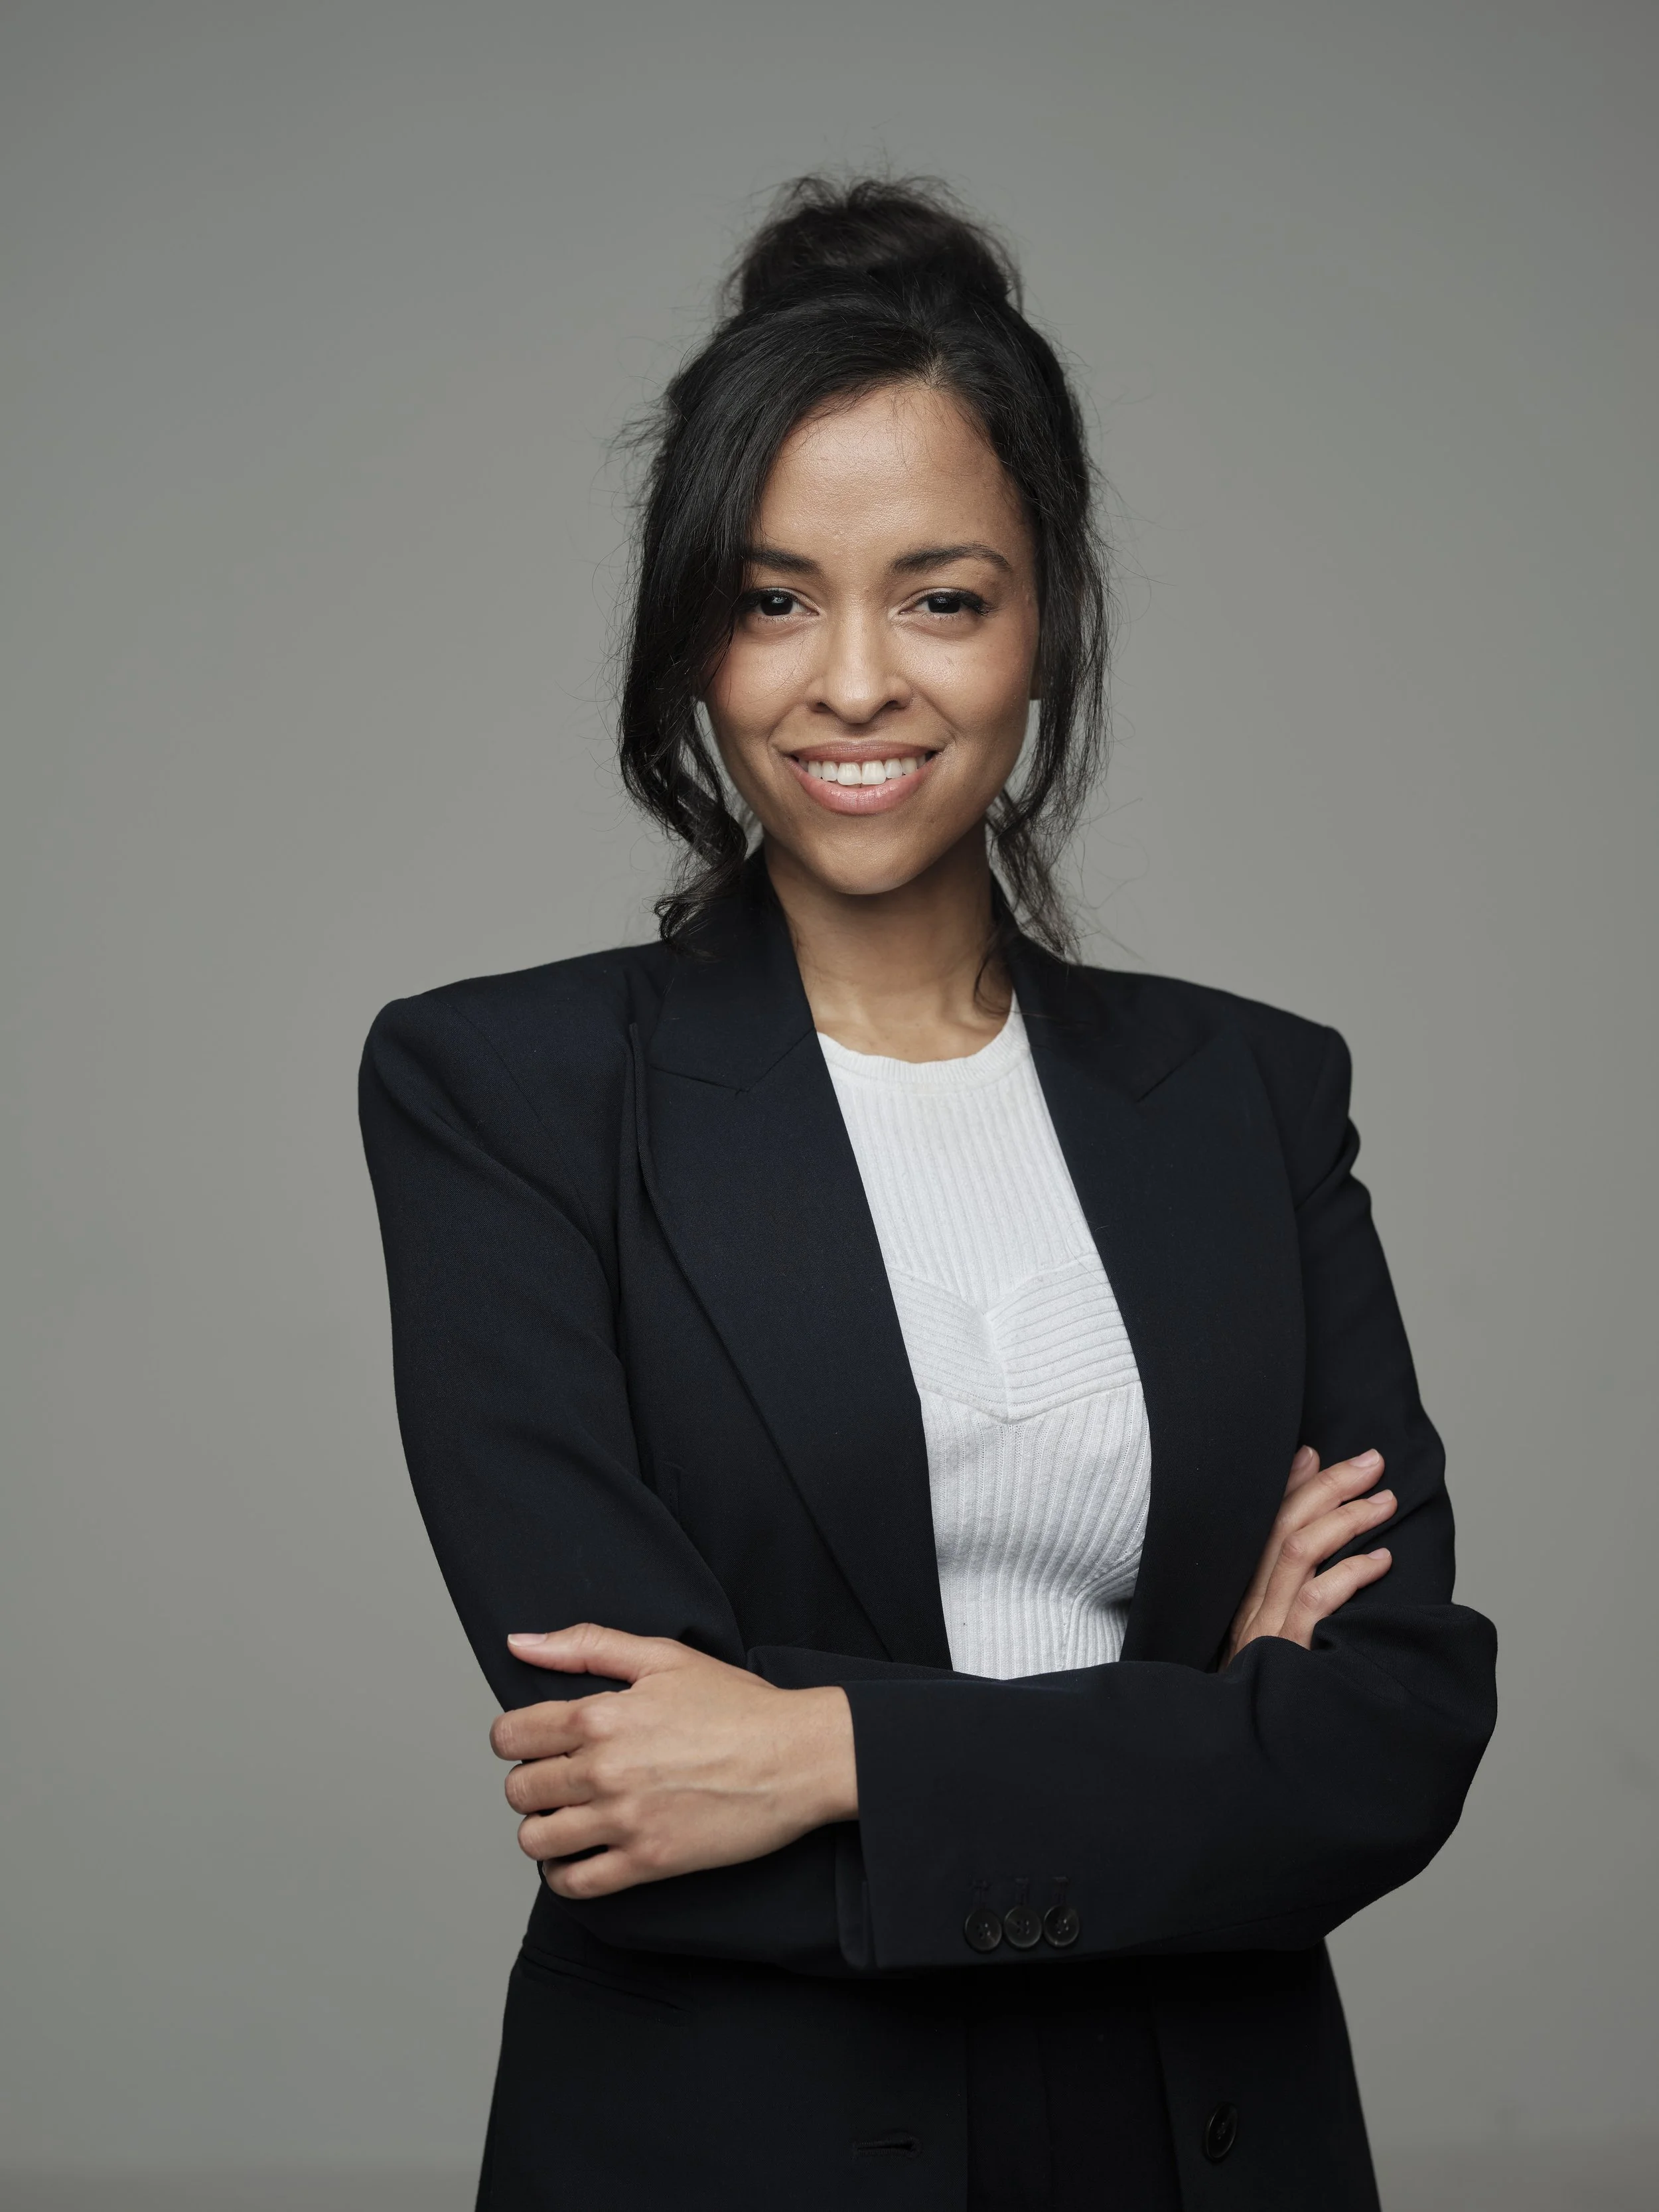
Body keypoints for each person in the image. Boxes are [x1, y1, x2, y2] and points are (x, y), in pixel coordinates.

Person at [360, 175, 1496, 2212]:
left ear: (1040, 617)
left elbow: (1388, 1735)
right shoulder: (503, 1092)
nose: (853, 680)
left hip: (1203, 2138)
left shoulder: (1245, 1092)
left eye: (941, 594)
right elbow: (623, 1775)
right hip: (732, 2155)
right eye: (777, 595)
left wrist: (827, 1753)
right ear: (694, 631)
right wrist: (1192, 1735)